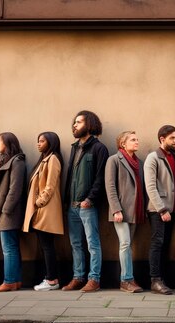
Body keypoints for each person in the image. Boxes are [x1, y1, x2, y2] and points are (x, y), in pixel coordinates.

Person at [63, 110, 109, 293]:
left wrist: (90, 199)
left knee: (92, 243)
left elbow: (100, 177)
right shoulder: (75, 147)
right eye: (74, 122)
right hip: (72, 206)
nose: (74, 125)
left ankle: (94, 279)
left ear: (89, 124)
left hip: (87, 205)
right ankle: (78, 277)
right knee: (75, 244)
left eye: (79, 122)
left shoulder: (99, 148)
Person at [23, 132, 64, 291]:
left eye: (42, 141)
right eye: (37, 141)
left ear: (51, 142)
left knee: (47, 246)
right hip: (42, 209)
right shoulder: (44, 160)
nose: (38, 144)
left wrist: (39, 202)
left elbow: (50, 184)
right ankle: (50, 278)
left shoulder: (53, 159)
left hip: (46, 209)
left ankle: (52, 280)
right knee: (45, 245)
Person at [105, 131, 146, 293]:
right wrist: (116, 209)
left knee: (128, 245)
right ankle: (126, 280)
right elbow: (110, 186)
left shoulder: (139, 162)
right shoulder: (114, 160)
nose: (137, 142)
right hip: (121, 211)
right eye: (133, 140)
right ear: (123, 143)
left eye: (137, 139)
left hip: (135, 210)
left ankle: (129, 277)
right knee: (125, 243)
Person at [144, 125, 175, 295]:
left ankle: (162, 279)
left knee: (165, 245)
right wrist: (162, 209)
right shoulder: (153, 158)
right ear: (162, 139)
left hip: (171, 209)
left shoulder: (173, 157)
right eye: (172, 138)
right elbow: (150, 187)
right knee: (157, 243)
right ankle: (155, 280)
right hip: (158, 210)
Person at [0, 132, 27, 292]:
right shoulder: (8, 161)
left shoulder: (17, 161)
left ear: (8, 143)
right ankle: (16, 281)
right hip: (5, 212)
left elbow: (15, 188)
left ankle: (10, 280)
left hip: (9, 213)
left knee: (9, 248)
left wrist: (5, 209)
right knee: (12, 246)